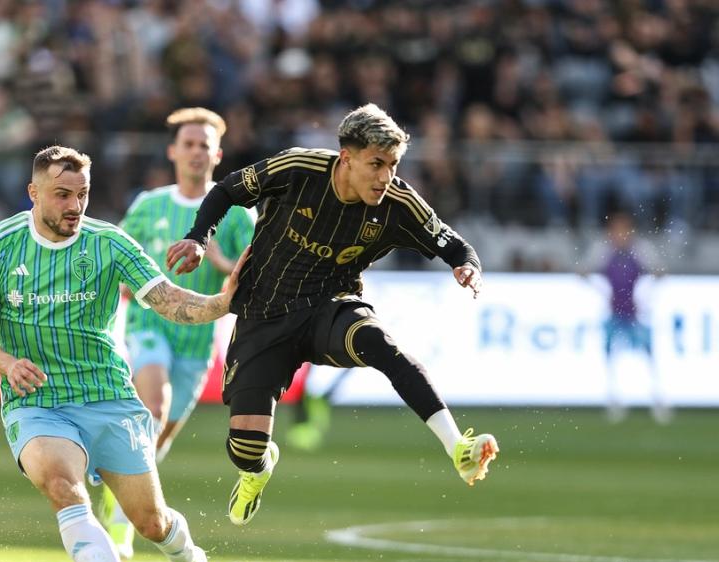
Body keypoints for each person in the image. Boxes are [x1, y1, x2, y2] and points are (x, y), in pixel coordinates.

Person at [166, 103, 500, 526]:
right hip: (262, 312)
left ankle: (458, 448)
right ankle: (258, 469)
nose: (385, 177)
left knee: (381, 344)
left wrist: (466, 265)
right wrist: (198, 238)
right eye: (376, 164)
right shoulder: (299, 168)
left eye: (393, 165)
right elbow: (228, 189)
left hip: (330, 308)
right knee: (245, 449)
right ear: (346, 157)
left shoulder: (398, 202)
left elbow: (454, 244)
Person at [0, 145, 245, 562]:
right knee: (61, 486)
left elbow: (167, 300)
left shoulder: (110, 243)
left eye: (83, 195)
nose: (74, 205)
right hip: (38, 400)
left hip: (107, 394)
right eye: (62, 194)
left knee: (151, 523)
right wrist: (7, 364)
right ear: (34, 193)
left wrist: (222, 303)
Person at [98, 107, 254, 558]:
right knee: (154, 405)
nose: (195, 152)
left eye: (204, 145)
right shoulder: (150, 205)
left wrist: (224, 264)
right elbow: (117, 260)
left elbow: (251, 282)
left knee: (159, 436)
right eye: (187, 144)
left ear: (217, 154)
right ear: (172, 151)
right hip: (149, 325)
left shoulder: (239, 216)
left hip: (199, 339)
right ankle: (124, 521)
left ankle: (118, 496)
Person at [581, 209, 670, 423]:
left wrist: (644, 295)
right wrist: (602, 291)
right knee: (610, 356)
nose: (619, 234)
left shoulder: (640, 250)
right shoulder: (603, 250)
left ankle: (657, 400)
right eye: (615, 229)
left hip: (636, 314)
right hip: (613, 313)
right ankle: (614, 400)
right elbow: (583, 271)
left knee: (648, 357)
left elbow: (659, 272)